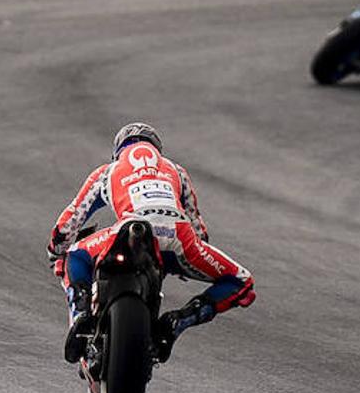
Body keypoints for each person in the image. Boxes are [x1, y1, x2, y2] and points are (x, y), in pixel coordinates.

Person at [48, 122, 255, 364]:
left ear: (117, 151)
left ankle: (82, 312)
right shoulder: (177, 171)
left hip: (128, 230)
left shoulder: (108, 171)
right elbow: (199, 229)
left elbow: (69, 222)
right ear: (158, 150)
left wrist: (56, 251)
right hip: (179, 235)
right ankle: (179, 320)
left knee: (75, 256)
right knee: (241, 280)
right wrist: (186, 262)